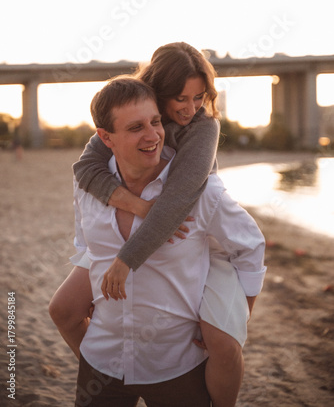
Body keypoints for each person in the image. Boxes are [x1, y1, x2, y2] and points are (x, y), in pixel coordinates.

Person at [49, 42, 266, 407]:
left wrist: (125, 260)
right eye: (181, 97)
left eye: (200, 96)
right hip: (139, 221)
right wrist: (135, 208)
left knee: (222, 341)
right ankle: (109, 371)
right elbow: (85, 170)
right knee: (63, 309)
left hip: (193, 230)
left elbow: (178, 201)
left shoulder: (203, 126)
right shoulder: (131, 110)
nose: (191, 107)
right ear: (158, 92)